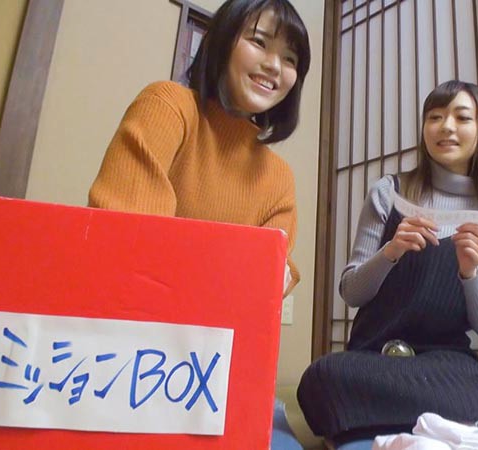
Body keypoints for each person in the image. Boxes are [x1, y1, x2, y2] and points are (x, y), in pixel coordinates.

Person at [297, 80, 478, 446]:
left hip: (443, 365)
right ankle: (440, 420)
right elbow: (351, 291)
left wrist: (470, 273)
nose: (446, 127)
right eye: (435, 117)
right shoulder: (390, 192)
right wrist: (391, 252)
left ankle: (368, 423)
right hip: (375, 358)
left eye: (462, 118)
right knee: (322, 376)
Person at [88, 0, 311, 296]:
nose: (274, 65)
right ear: (222, 40)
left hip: (218, 325)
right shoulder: (167, 107)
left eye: (290, 59)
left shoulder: (280, 178)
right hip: (126, 313)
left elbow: (263, 287)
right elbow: (127, 238)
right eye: (259, 42)